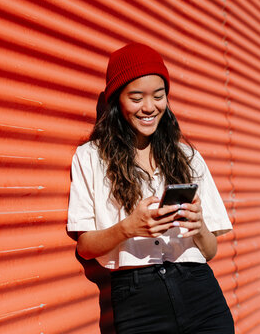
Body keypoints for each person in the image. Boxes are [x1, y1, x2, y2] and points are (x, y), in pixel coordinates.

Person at [67, 43, 234, 334]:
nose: (149, 107)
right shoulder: (90, 157)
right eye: (136, 97)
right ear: (116, 99)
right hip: (138, 299)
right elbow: (85, 247)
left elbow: (210, 251)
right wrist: (129, 228)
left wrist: (199, 226)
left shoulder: (188, 157)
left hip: (200, 290)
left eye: (159, 96)